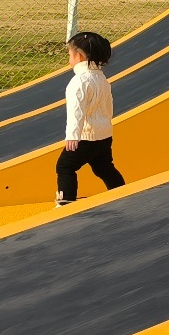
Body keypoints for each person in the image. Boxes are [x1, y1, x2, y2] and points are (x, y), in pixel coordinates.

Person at [56, 30, 125, 207]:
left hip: (85, 137)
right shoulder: (101, 78)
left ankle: (65, 202)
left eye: (70, 55)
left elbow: (76, 111)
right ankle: (123, 193)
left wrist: (73, 136)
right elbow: (108, 105)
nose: (69, 59)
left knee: (65, 166)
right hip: (104, 135)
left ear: (79, 56)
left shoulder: (79, 81)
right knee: (104, 168)